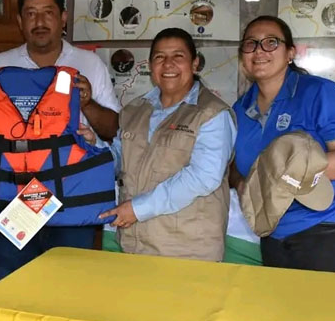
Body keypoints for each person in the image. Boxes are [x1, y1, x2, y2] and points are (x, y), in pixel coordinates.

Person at [0, 0, 122, 281]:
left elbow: (115, 130)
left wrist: (86, 103)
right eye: (31, 13)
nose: (40, 21)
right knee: (12, 288)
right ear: (20, 21)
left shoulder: (89, 64)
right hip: (14, 198)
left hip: (72, 194)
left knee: (69, 289)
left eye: (48, 12)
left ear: (63, 18)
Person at [231, 15, 335, 272]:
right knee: (279, 310)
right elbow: (236, 166)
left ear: (289, 52)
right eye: (251, 44)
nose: (259, 51)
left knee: (322, 312)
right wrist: (245, 185)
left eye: (271, 42)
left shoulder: (319, 93)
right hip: (271, 229)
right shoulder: (240, 108)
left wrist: (286, 173)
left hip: (324, 228)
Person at [95, 28, 236, 260]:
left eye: (178, 56)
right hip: (134, 245)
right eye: (160, 57)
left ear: (195, 63)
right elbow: (119, 160)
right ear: (151, 66)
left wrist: (137, 210)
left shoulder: (212, 113)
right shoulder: (133, 111)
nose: (168, 64)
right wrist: (94, 147)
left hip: (188, 251)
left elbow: (203, 177)